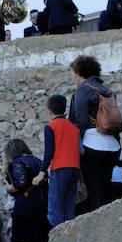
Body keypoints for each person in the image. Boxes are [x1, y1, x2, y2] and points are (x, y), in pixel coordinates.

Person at [69, 56, 121, 212]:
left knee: (93, 192)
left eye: (73, 73)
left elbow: (79, 121)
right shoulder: (108, 90)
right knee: (105, 189)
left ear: (79, 73)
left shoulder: (84, 89)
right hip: (112, 146)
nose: (73, 77)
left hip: (91, 145)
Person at [33, 95, 81, 227]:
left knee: (55, 208)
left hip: (60, 168)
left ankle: (58, 241)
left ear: (49, 110)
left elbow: (49, 151)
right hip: (75, 169)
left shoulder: (51, 126)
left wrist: (42, 172)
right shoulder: (74, 127)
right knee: (69, 206)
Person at [4, 139, 50, 242]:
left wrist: (9, 187)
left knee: (17, 240)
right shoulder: (36, 160)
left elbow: (20, 182)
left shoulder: (17, 162)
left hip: (24, 205)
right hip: (40, 204)